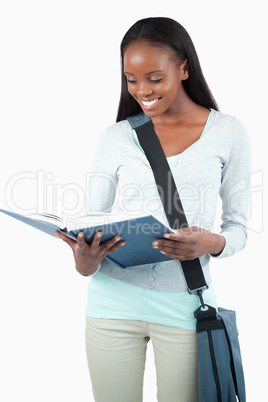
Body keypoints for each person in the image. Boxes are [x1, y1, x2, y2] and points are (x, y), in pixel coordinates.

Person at [56, 17, 251, 402]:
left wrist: (210, 242)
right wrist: (85, 260)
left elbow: (239, 228)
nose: (141, 90)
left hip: (185, 306)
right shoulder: (115, 137)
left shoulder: (228, 132)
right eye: (131, 79)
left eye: (154, 78)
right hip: (110, 302)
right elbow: (91, 221)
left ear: (183, 69)